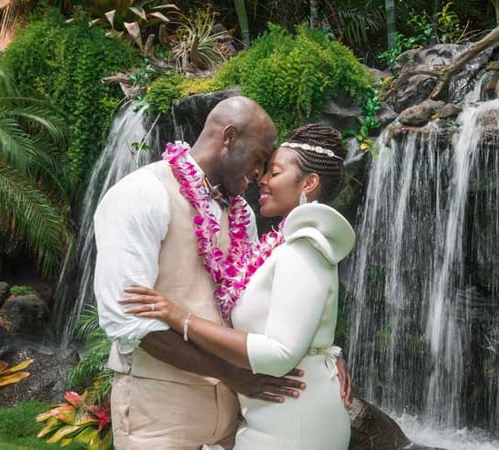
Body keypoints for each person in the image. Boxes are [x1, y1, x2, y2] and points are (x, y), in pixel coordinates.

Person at [94, 96, 312, 450]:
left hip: (230, 414)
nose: (259, 175)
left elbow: (263, 306)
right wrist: (230, 372)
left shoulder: (242, 216)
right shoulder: (142, 194)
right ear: (229, 137)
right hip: (159, 416)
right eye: (258, 158)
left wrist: (326, 356)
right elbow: (129, 322)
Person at [120, 123, 355, 449]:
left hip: (295, 422)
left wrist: (180, 318)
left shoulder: (304, 249)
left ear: (309, 183)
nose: (262, 179)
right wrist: (327, 350)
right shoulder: (280, 249)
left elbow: (280, 353)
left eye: (274, 172)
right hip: (274, 416)